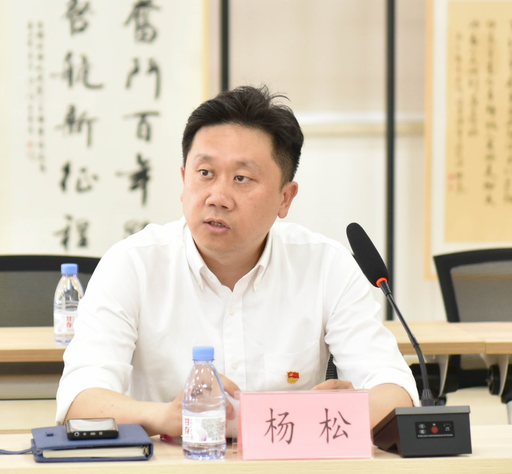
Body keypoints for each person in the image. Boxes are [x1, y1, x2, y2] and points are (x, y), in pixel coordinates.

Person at [56, 85, 418, 435]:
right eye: (205, 173)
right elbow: (80, 399)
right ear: (183, 180)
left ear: (285, 198)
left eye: (242, 178)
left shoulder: (325, 266)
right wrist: (167, 416)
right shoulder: (132, 265)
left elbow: (396, 394)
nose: (218, 196)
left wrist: (305, 418)